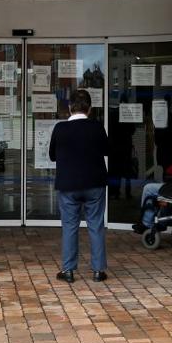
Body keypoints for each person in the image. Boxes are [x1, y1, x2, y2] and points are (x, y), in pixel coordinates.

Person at [49, 90, 111, 283]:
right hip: (95, 184)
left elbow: (52, 155)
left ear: (69, 108)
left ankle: (68, 271)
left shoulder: (60, 129)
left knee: (69, 226)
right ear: (90, 109)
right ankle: (98, 271)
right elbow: (107, 150)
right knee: (96, 225)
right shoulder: (97, 127)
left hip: (68, 185)